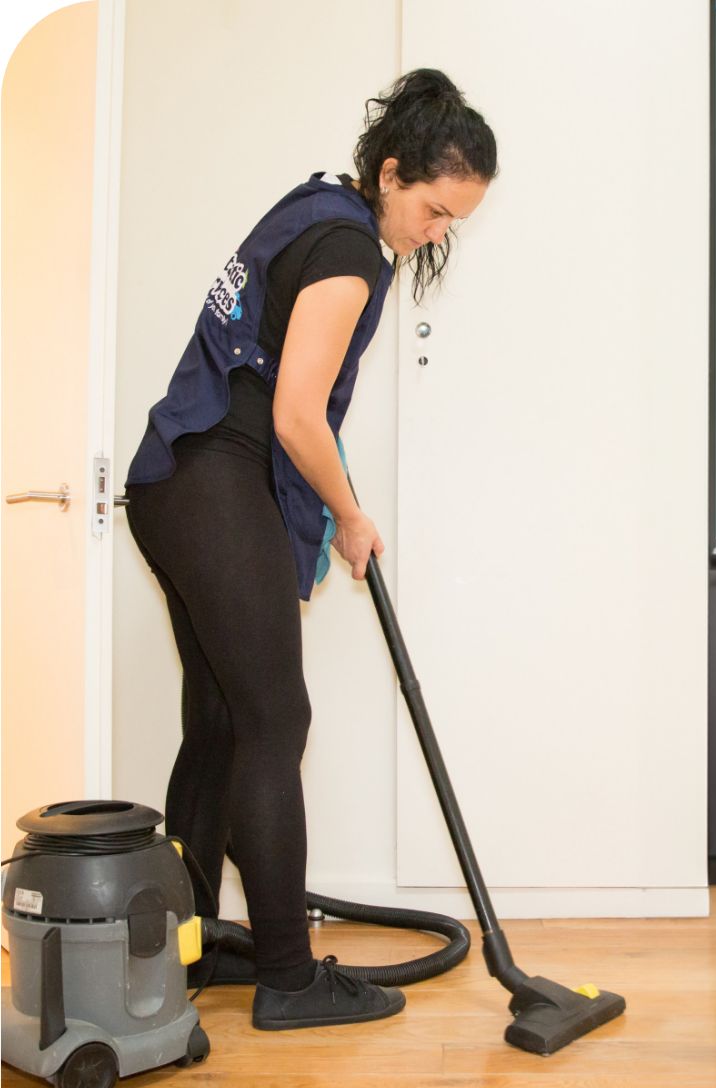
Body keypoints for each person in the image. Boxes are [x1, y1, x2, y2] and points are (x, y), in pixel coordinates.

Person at [124, 69, 497, 1030]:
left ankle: (186, 950)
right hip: (213, 480)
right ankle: (289, 978)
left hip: (174, 481)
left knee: (218, 723)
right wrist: (353, 514)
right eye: (432, 207)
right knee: (275, 719)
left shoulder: (315, 209)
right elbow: (296, 416)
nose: (436, 230)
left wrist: (324, 510)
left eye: (454, 218)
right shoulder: (348, 249)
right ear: (390, 173)